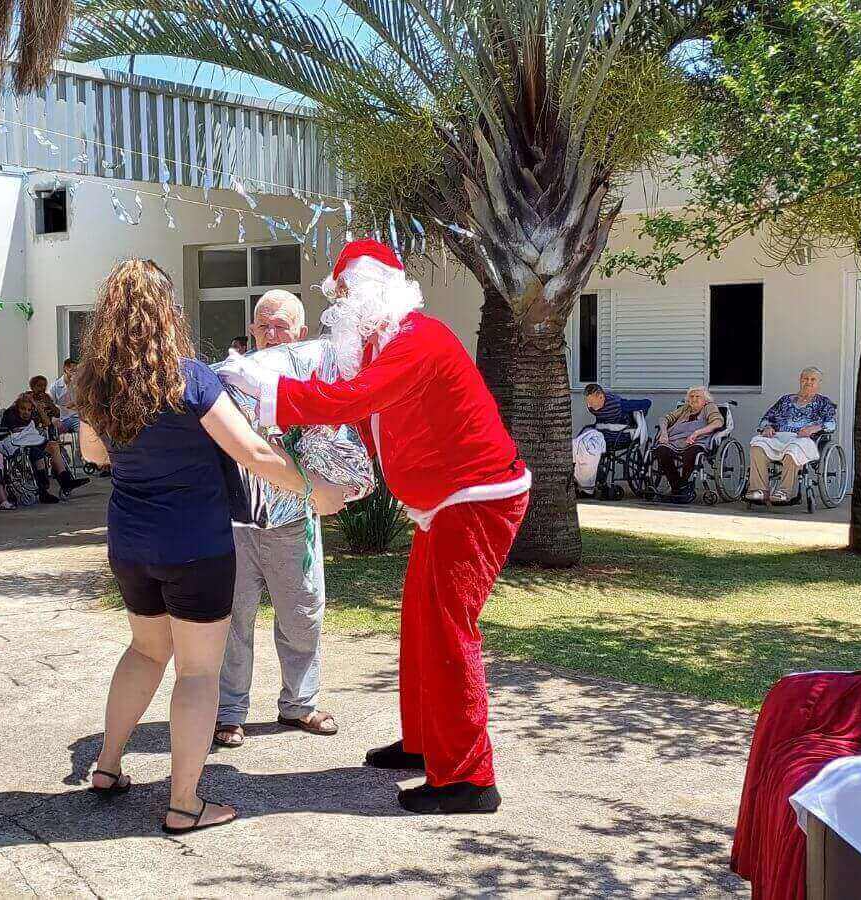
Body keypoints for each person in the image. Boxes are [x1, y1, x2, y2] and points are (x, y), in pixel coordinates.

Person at [218, 239, 529, 815]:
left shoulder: (416, 340)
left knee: (447, 630)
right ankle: (426, 743)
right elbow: (356, 408)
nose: (337, 306)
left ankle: (469, 778)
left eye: (344, 294)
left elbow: (351, 400)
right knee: (421, 624)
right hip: (447, 501)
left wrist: (268, 394)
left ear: (372, 294)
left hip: (475, 498)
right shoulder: (381, 346)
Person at [73, 258, 348, 836]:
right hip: (195, 545)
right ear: (166, 313)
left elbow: (93, 455)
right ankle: (183, 804)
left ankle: (107, 766)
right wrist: (313, 489)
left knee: (145, 651)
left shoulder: (96, 384)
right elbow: (253, 451)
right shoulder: (190, 378)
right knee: (197, 672)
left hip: (130, 543)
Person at [214, 290, 339, 750]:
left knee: (302, 616)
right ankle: (229, 713)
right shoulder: (230, 379)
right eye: (263, 325)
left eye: (280, 326)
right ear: (251, 330)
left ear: (300, 332)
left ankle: (300, 704)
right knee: (233, 621)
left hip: (293, 521)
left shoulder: (315, 379)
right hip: (236, 523)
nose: (271, 333)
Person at [746, 366, 838, 504]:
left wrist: (814, 428)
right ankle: (760, 490)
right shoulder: (786, 400)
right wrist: (767, 427)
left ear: (819, 383)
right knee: (757, 445)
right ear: (800, 380)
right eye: (805, 379)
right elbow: (766, 418)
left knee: (793, 449)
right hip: (778, 436)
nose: (808, 382)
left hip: (803, 439)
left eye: (813, 379)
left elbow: (831, 424)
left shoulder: (823, 402)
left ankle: (784, 491)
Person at [0, 392, 89, 503]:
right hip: (18, 442)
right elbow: (14, 432)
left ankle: (65, 481)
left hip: (31, 439)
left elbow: (47, 423)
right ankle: (43, 491)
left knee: (54, 445)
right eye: (23, 409)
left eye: (29, 409)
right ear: (17, 407)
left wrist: (38, 409)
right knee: (37, 453)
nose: (26, 412)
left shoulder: (32, 413)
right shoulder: (10, 413)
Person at [572, 383, 650, 498]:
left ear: (601, 397)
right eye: (588, 402)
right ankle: (585, 482)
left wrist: (639, 416)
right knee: (580, 444)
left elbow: (647, 403)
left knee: (591, 447)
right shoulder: (591, 407)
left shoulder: (618, 404)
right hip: (602, 433)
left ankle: (590, 485)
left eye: (592, 402)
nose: (589, 405)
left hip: (619, 436)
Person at [651, 387, 725, 504]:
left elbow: (718, 422)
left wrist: (697, 433)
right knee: (661, 450)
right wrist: (664, 433)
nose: (694, 399)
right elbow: (664, 419)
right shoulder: (685, 408)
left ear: (705, 400)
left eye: (697, 396)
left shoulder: (709, 407)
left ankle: (680, 487)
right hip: (674, 440)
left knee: (691, 453)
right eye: (691, 396)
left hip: (697, 440)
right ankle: (679, 486)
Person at [48, 357, 81, 432]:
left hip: (76, 417)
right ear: (65, 369)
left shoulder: (79, 385)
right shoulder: (55, 386)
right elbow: (51, 404)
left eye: (76, 371)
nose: (75, 373)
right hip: (62, 419)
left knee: (81, 431)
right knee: (57, 432)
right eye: (72, 370)